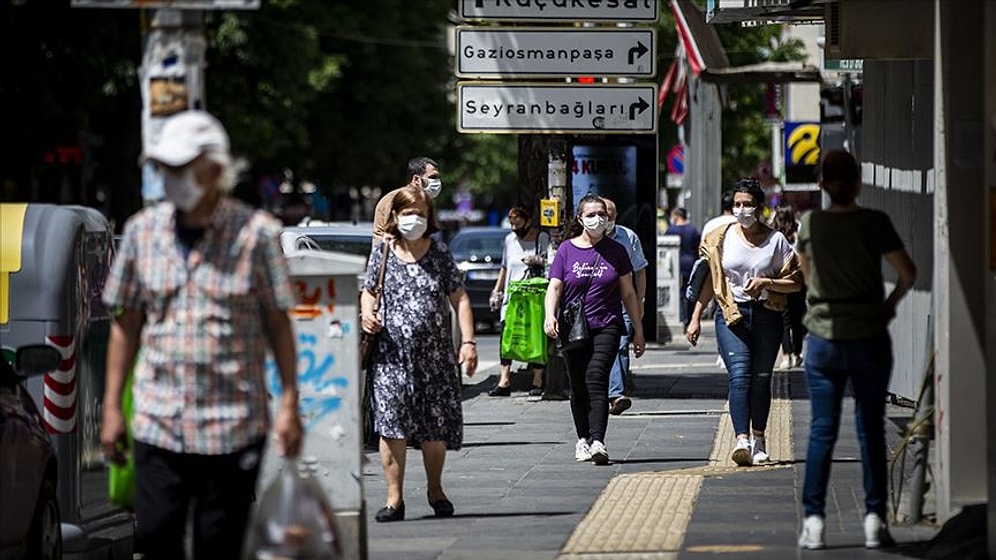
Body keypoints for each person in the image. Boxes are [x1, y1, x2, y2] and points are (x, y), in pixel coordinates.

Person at [99, 110, 303, 560]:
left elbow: (278, 324)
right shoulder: (141, 233)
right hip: (159, 421)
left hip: (233, 424)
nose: (170, 179)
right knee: (155, 537)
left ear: (213, 170)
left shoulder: (257, 236)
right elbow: (126, 324)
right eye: (164, 169)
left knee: (219, 545)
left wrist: (289, 403)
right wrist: (112, 407)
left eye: (180, 168)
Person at [796, 150, 916, 550]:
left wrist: (820, 298)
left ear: (822, 184)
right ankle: (873, 519)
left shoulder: (811, 223)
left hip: (823, 338)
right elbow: (907, 273)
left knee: (822, 431)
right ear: (858, 182)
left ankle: (813, 521)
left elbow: (805, 268)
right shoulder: (874, 222)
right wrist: (889, 304)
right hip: (868, 333)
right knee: (870, 430)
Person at [360, 186, 478, 522]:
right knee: (391, 428)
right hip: (390, 359)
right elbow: (369, 292)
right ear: (395, 217)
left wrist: (468, 342)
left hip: (435, 360)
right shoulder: (382, 252)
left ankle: (435, 489)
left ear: (430, 218)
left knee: (434, 430)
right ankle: (394, 499)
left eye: (421, 214)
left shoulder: (439, 252)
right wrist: (368, 313)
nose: (414, 220)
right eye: (408, 213)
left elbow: (460, 297)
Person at [685, 178, 802, 467]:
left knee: (761, 380)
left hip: (767, 315)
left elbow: (796, 283)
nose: (741, 210)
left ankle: (760, 439)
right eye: (737, 204)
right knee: (739, 376)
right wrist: (696, 317)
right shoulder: (722, 238)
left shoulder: (776, 241)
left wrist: (767, 281)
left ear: (760, 207)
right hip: (731, 315)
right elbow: (711, 281)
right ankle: (742, 440)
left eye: (747, 205)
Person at [544, 194, 646, 465]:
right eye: (590, 215)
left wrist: (638, 329)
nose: (597, 219)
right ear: (580, 219)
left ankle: (598, 440)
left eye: (602, 214)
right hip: (573, 328)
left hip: (607, 325)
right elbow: (554, 287)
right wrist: (549, 316)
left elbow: (628, 293)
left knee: (596, 378)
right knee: (578, 386)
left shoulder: (618, 251)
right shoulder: (566, 250)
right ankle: (582, 440)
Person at [488, 204, 551, 397]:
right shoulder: (509, 240)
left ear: (528, 221)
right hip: (512, 297)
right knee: (507, 337)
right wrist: (496, 291)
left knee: (535, 336)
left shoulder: (542, 238)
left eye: (518, 222)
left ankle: (537, 380)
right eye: (512, 224)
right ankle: (504, 380)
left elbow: (551, 262)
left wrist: (537, 261)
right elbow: (505, 267)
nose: (515, 228)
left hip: (534, 295)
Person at [603, 197, 648, 415]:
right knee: (605, 348)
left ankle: (616, 394)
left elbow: (639, 270)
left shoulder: (628, 237)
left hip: (625, 302)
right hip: (598, 304)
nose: (606, 219)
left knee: (620, 346)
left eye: (610, 215)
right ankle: (608, 392)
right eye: (603, 215)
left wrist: (640, 301)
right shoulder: (586, 240)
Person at [372, 156, 441, 244]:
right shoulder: (395, 200)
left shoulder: (425, 202)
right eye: (433, 177)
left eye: (438, 177)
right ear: (416, 179)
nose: (437, 182)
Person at [771, 204, 807, 370]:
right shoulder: (798, 233)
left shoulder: (774, 234)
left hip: (780, 281)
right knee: (797, 319)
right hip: (799, 281)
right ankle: (798, 354)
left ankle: (787, 356)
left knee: (783, 319)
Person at [665, 207, 701, 327]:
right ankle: (690, 319)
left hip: (675, 265)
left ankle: (680, 317)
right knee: (690, 291)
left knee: (677, 292)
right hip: (691, 263)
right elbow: (698, 246)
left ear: (676, 216)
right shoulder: (693, 230)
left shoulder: (671, 230)